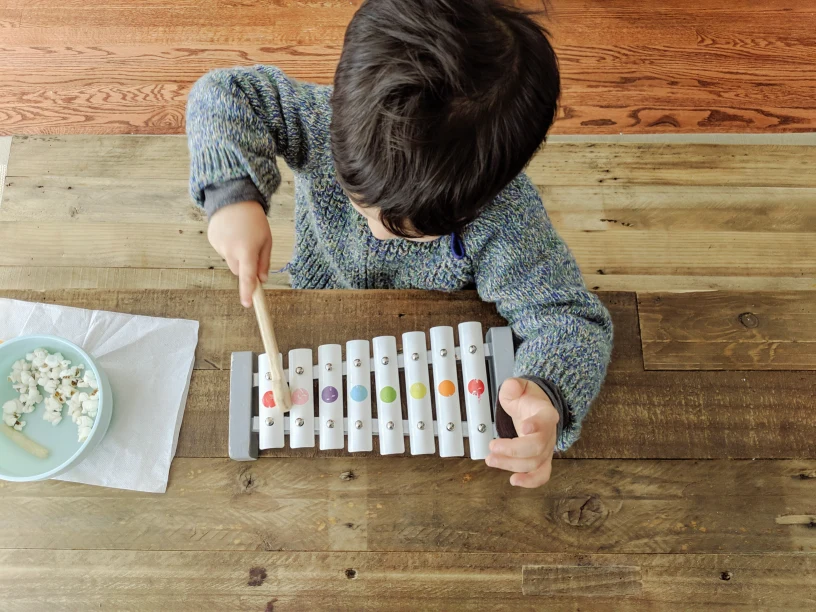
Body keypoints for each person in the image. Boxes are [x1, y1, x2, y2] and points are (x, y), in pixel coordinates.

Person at [186, 0, 613, 488]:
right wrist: (231, 196)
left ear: (479, 199)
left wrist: (546, 393)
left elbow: (570, 320)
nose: (376, 231)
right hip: (317, 297)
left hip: (438, 346)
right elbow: (227, 92)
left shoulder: (507, 223)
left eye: (409, 228)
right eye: (360, 203)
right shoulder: (324, 123)